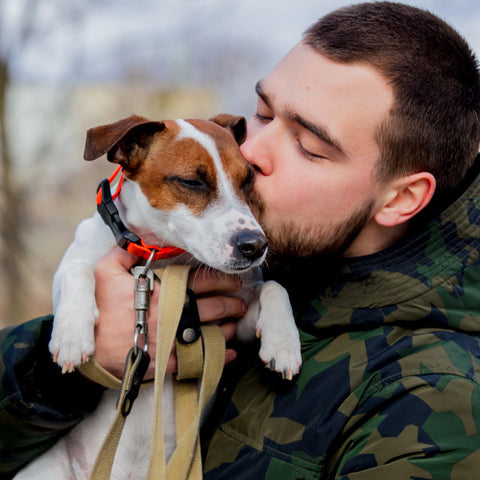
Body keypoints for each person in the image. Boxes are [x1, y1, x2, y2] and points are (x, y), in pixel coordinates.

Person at [2, 1, 480, 478]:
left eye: (310, 146)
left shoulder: (433, 397)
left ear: (402, 198)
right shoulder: (208, 252)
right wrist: (58, 374)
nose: (248, 152)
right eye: (263, 113)